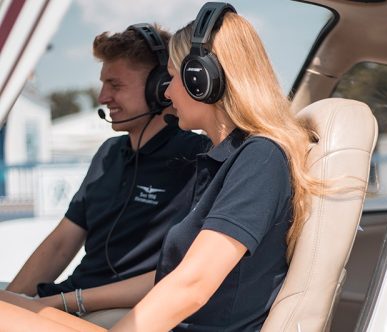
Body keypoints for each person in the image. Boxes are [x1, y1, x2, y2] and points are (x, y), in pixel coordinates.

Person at [0, 3, 332, 331]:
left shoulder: (259, 158)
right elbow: (175, 277)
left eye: (173, 78)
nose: (169, 92)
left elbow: (192, 284)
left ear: (201, 81)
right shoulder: (219, 162)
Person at [4, 23, 211, 299]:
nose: (102, 97)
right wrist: (13, 302)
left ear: (160, 87)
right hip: (70, 298)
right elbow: (60, 244)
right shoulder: (108, 153)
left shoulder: (197, 159)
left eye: (115, 85)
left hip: (114, 309)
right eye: (103, 84)